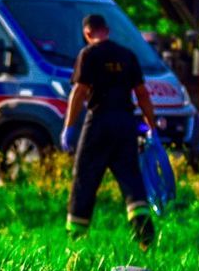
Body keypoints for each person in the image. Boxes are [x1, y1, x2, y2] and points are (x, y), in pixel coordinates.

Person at [60, 13, 158, 248]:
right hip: (126, 124)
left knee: (85, 176)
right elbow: (142, 94)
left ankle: (75, 237)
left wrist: (69, 127)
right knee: (131, 178)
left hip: (99, 122)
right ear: (107, 30)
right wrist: (152, 128)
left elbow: (80, 92)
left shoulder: (88, 54)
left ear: (87, 33)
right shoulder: (127, 56)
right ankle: (145, 237)